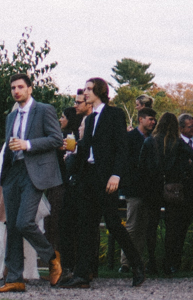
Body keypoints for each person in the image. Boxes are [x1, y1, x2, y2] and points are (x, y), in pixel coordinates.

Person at [63, 77, 147, 288]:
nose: (85, 93)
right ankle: (82, 274)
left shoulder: (114, 114)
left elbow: (121, 147)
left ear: (100, 91)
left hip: (106, 177)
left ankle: (137, 265)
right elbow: (88, 150)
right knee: (85, 225)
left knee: (112, 223)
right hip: (88, 176)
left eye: (89, 89)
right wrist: (74, 148)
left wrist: (116, 175)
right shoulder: (90, 120)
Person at [0, 73, 62, 294]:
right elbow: (8, 147)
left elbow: (56, 139)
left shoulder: (44, 110)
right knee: (11, 226)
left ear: (30, 89)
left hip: (34, 173)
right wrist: (4, 177)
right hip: (13, 173)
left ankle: (51, 256)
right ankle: (15, 279)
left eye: (20, 87)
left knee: (23, 222)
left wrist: (27, 144)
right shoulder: (11, 117)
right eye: (13, 88)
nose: (16, 91)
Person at [159, 113, 193, 274]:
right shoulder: (175, 144)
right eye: (190, 126)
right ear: (181, 128)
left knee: (183, 229)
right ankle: (170, 263)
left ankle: (176, 263)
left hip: (192, 194)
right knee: (174, 230)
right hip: (178, 193)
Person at [121, 107, 159, 269]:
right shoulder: (129, 138)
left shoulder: (154, 139)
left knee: (143, 227)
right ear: (141, 119)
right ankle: (125, 262)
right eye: (150, 119)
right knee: (132, 226)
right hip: (133, 189)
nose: (153, 122)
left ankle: (137, 261)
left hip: (149, 190)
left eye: (154, 119)